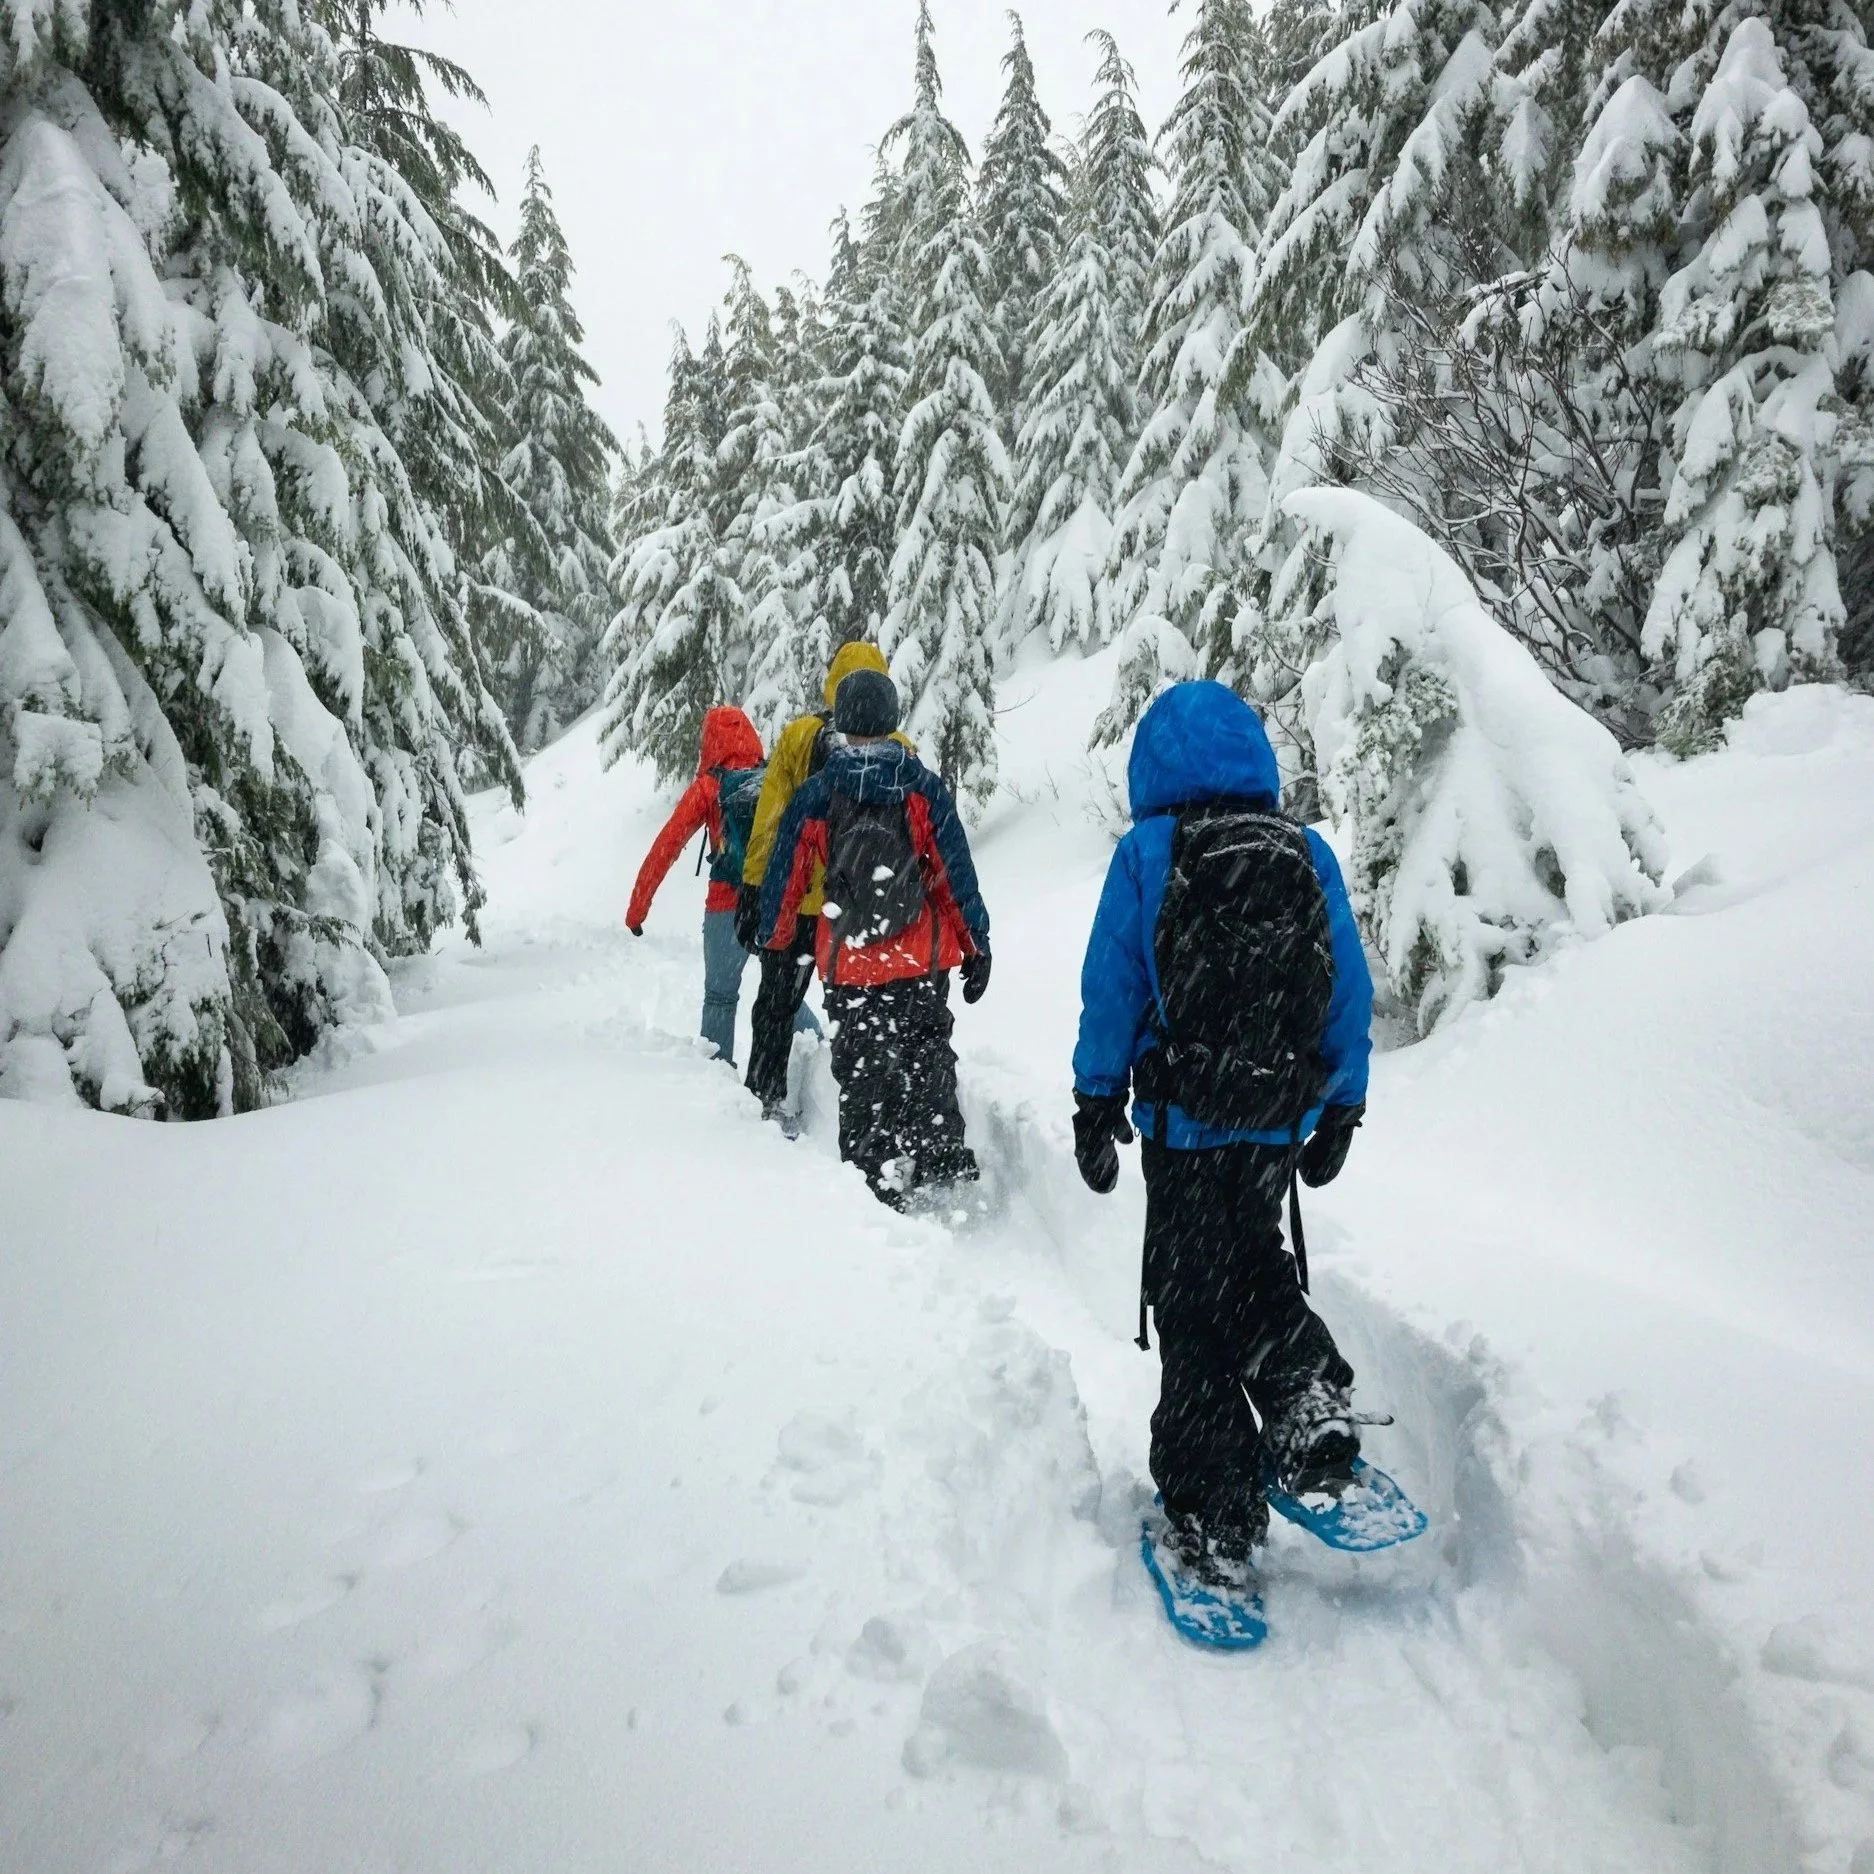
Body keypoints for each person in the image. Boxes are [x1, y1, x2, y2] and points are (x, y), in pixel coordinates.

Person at [1072, 681, 1373, 1586]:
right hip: (1274, 1120)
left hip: (1182, 1121)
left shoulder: (1148, 853)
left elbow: (1112, 990)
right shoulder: (1304, 851)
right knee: (1256, 1256)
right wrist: (1342, 1108)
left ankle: (1216, 1507)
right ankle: (1304, 1391)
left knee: (1191, 1304)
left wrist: (1095, 1102)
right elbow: (1348, 990)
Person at [759, 667, 991, 1205]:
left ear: (841, 722)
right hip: (920, 958)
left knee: (863, 1071)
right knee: (927, 1053)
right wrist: (976, 944)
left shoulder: (817, 795)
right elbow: (956, 874)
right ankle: (940, 1163)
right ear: (891, 719)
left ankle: (874, 1181)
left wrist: (775, 935)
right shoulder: (922, 788)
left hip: (850, 962)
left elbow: (785, 878)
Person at [737, 641, 908, 1120]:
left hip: (798, 905)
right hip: (863, 910)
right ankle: (871, 1115)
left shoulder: (797, 737)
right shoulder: (901, 749)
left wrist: (755, 892)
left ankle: (763, 1097)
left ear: (833, 682)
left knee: (776, 1005)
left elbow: (770, 823)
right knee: (866, 1015)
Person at [624, 705, 817, 1069]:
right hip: (770, 902)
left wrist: (637, 911)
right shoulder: (773, 778)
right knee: (782, 991)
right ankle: (818, 1054)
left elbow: (666, 847)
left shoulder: (709, 787)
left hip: (725, 908)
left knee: (720, 997)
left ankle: (718, 1088)